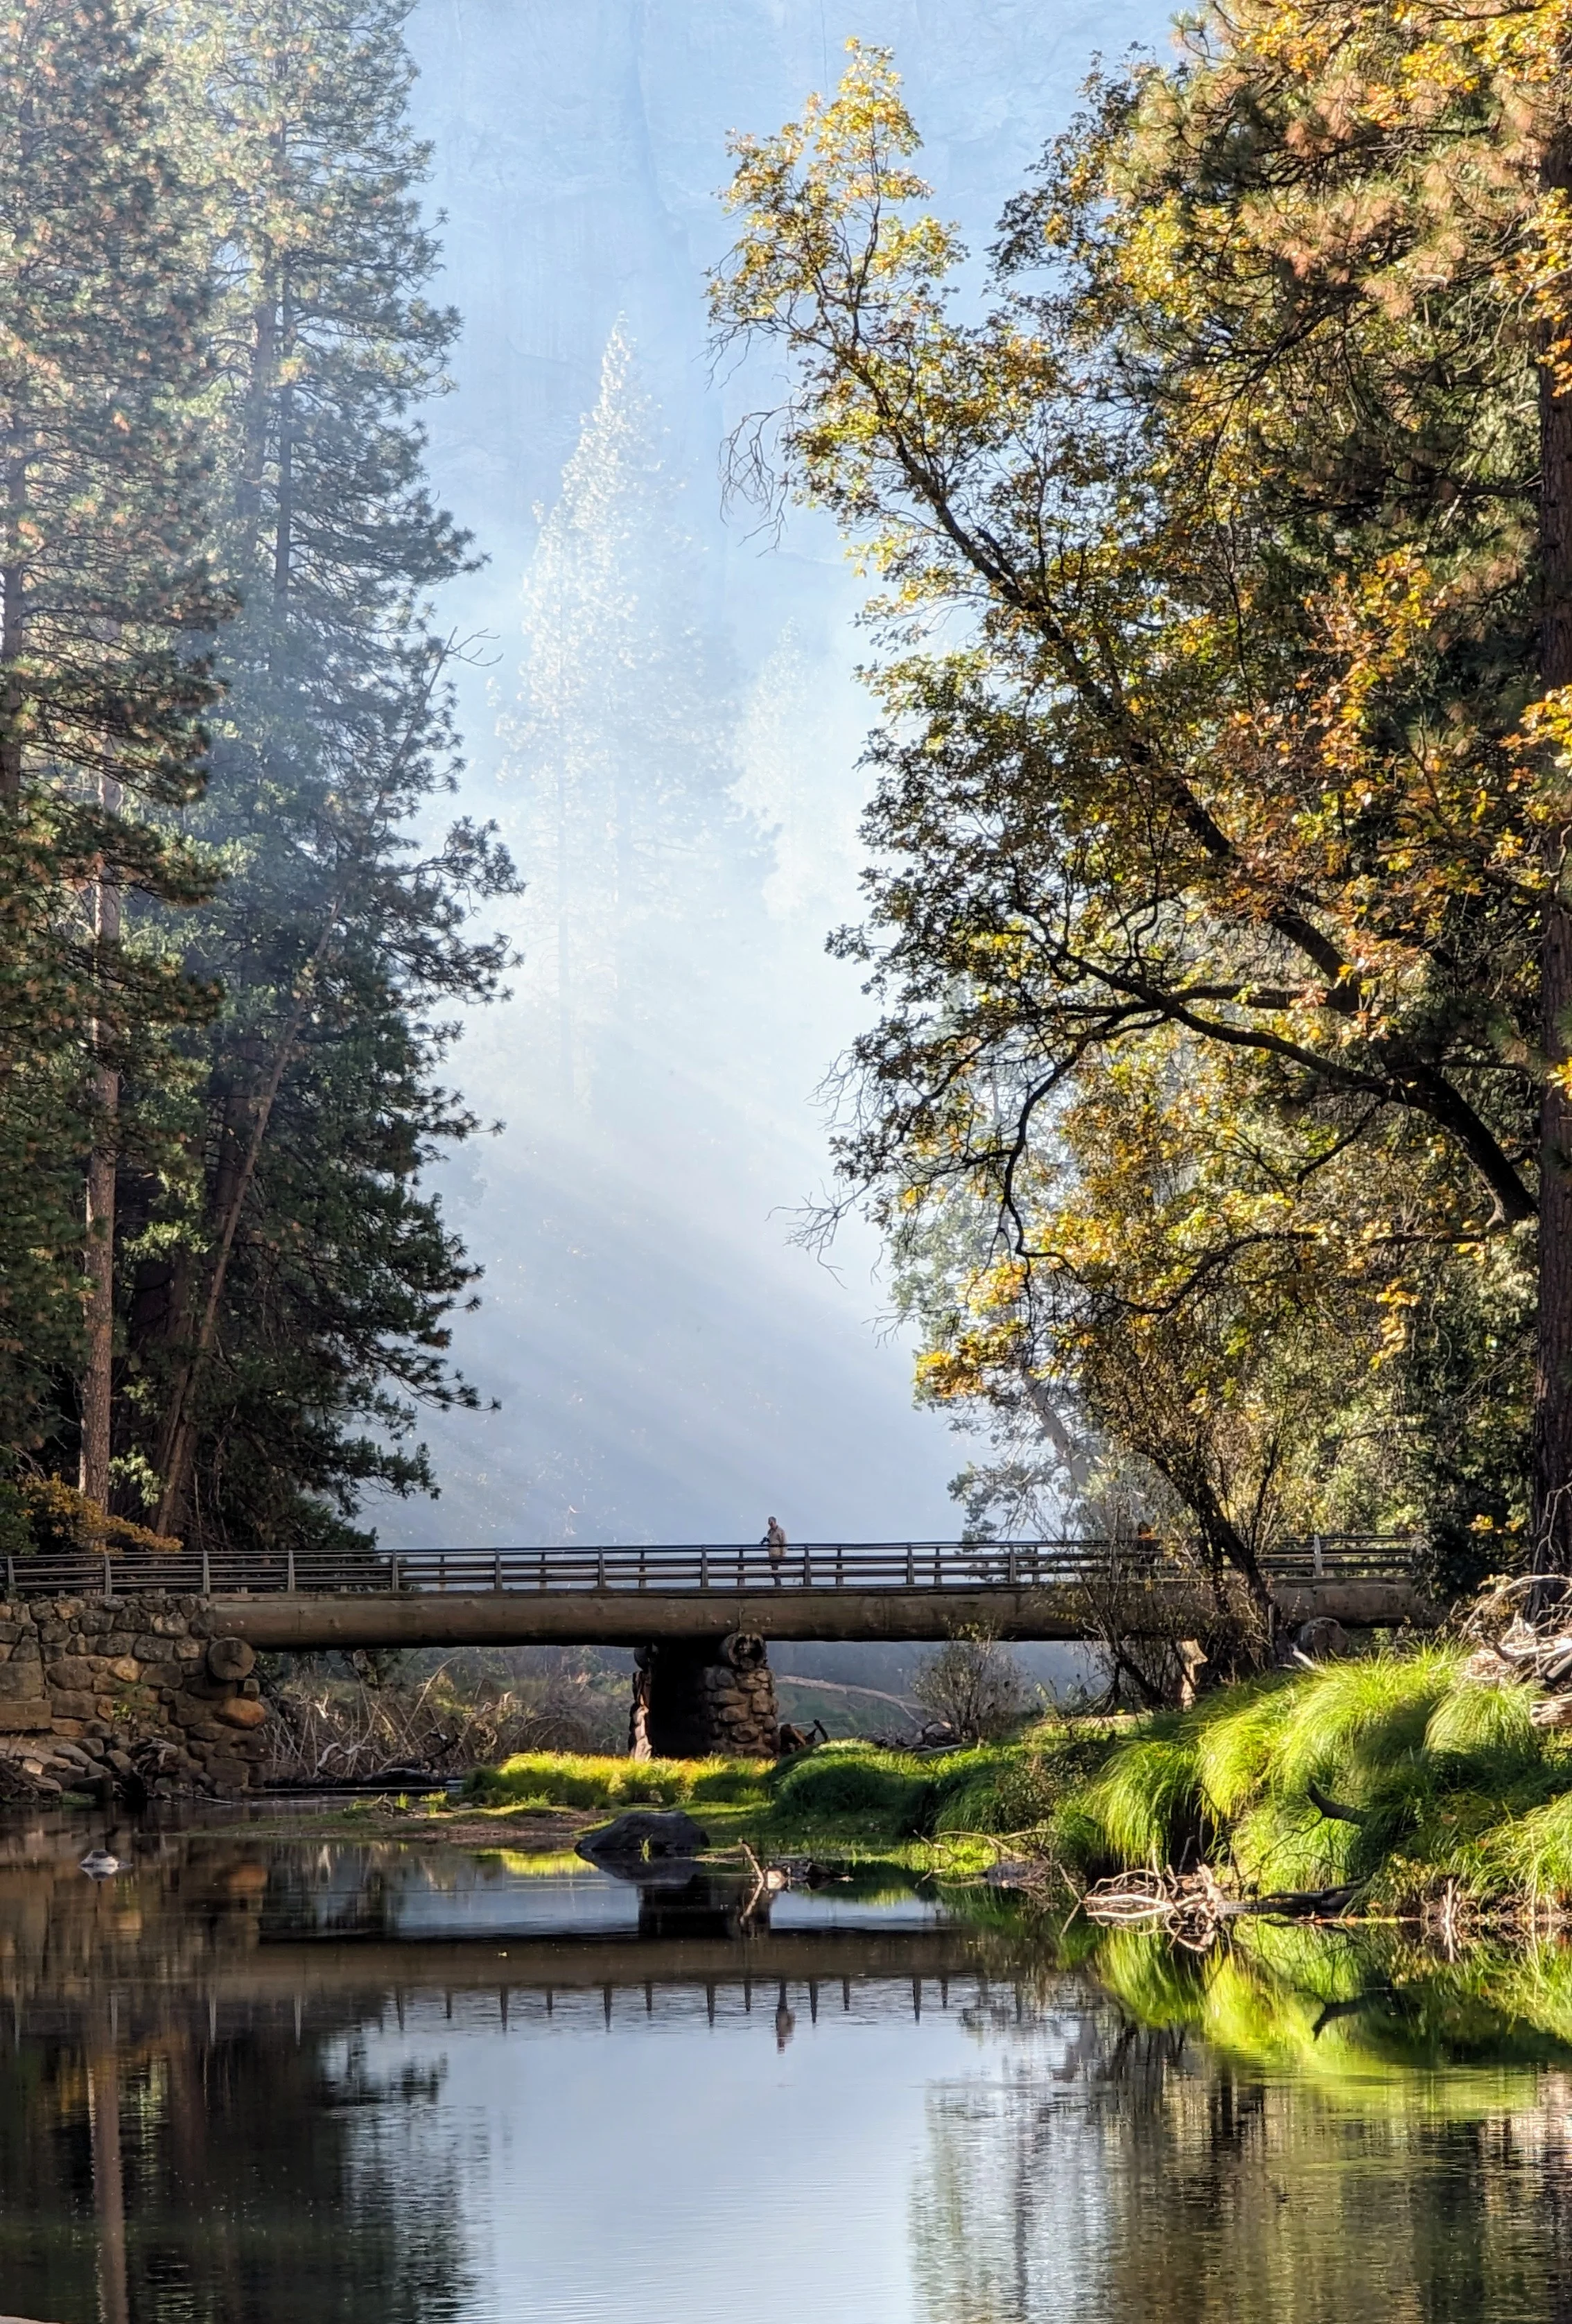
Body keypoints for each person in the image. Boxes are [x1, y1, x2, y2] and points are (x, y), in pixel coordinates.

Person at [762, 1515, 787, 1583]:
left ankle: (778, 1585)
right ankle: (777, 1584)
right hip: (771, 1554)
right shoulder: (770, 1532)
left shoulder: (781, 1531)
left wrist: (783, 1554)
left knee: (775, 1570)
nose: (770, 1525)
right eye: (769, 1524)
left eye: (771, 1523)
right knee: (773, 1570)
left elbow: (784, 1542)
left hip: (777, 1554)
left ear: (775, 1522)